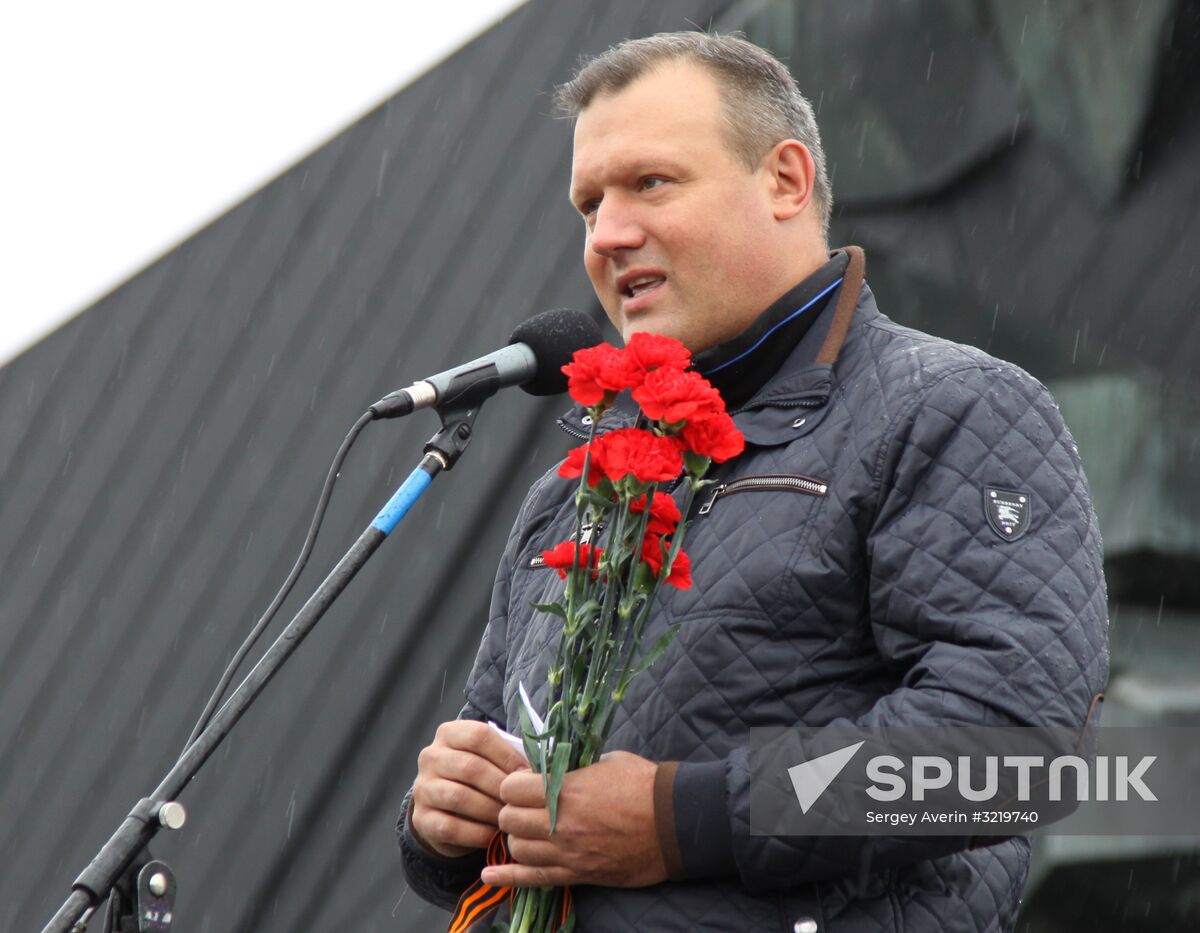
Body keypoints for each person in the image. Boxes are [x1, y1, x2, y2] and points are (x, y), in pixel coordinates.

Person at [398, 31, 1109, 932]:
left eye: (650, 183)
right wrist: (444, 824)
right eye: (589, 203)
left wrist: (680, 821)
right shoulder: (572, 492)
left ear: (785, 180)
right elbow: (495, 761)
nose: (608, 233)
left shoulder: (954, 410)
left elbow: (1013, 753)